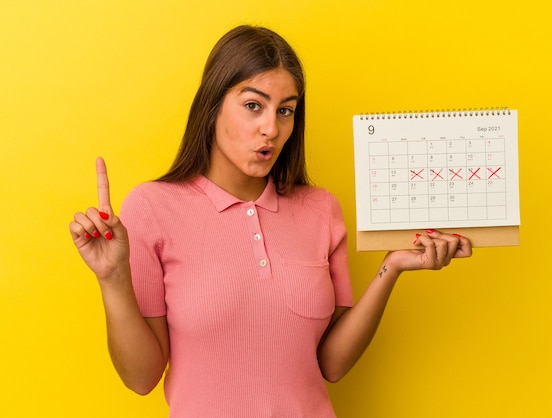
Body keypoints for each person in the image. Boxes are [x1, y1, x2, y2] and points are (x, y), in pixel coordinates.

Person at [69, 25, 472, 418]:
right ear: (212, 106)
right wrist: (112, 279)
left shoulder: (320, 209)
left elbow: (331, 365)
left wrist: (392, 266)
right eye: (253, 106)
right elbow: (141, 378)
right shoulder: (153, 207)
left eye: (286, 111)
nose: (271, 129)